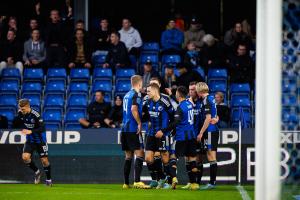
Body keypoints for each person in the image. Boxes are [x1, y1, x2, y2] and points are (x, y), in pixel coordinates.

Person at [159, 86, 200, 190]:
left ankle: (174, 178)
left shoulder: (180, 107)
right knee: (192, 159)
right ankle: (194, 183)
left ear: (178, 94)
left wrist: (163, 130)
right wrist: (171, 95)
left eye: (176, 93)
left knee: (173, 157)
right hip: (191, 135)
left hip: (181, 136)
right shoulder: (189, 104)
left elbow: (176, 122)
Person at [142, 83, 174, 189]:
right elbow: (146, 116)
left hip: (163, 134)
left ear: (155, 91)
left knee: (165, 159)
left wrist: (165, 131)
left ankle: (169, 182)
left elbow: (174, 118)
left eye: (148, 91)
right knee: (148, 158)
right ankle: (162, 177)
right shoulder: (147, 102)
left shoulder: (165, 102)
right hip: (151, 133)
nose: (147, 93)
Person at [121, 75, 149, 189]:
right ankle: (137, 181)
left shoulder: (126, 95)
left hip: (124, 129)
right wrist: (139, 123)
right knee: (140, 153)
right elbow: (133, 109)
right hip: (133, 128)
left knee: (128, 156)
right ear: (139, 83)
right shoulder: (136, 94)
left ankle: (126, 183)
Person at [18, 99, 52, 186]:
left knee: (44, 161)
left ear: (28, 106)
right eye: (21, 109)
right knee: (25, 158)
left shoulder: (36, 115)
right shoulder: (20, 113)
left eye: (23, 109)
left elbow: (42, 128)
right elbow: (22, 122)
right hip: (30, 141)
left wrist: (31, 131)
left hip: (40, 141)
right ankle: (37, 172)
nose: (22, 111)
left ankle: (48, 181)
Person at [196, 82, 219, 190]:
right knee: (210, 156)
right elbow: (214, 114)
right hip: (212, 130)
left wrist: (201, 132)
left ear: (199, 91)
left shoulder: (206, 100)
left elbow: (208, 118)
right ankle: (211, 182)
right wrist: (217, 117)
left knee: (211, 156)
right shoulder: (211, 98)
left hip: (209, 130)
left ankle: (212, 183)